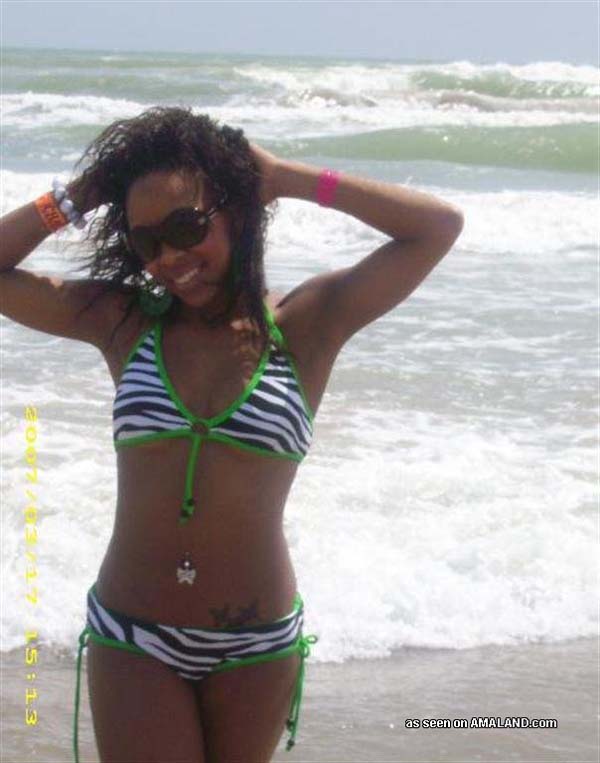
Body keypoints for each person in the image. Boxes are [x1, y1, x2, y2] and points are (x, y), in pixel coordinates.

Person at [0, 105, 464, 763]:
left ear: (239, 212)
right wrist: (79, 195)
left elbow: (437, 227)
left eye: (187, 228)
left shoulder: (308, 324)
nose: (170, 258)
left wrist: (287, 177)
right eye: (147, 242)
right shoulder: (122, 320)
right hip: (134, 635)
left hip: (258, 643)